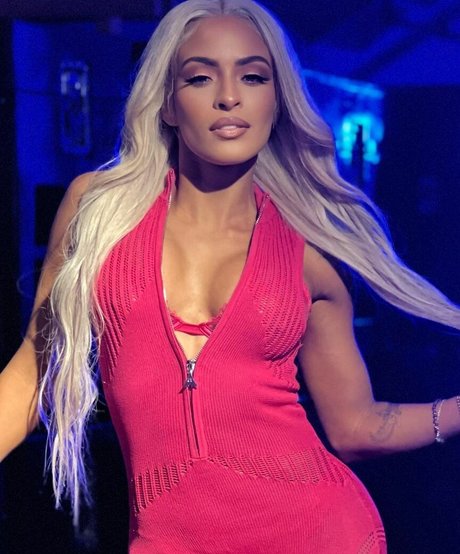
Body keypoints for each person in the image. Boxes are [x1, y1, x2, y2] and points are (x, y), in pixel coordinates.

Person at [1, 0, 460, 552]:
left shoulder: (308, 254)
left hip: (317, 531)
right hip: (168, 538)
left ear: (277, 101)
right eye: (200, 77)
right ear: (168, 103)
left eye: (253, 77)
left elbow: (355, 426)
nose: (228, 96)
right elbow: (33, 376)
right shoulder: (99, 212)